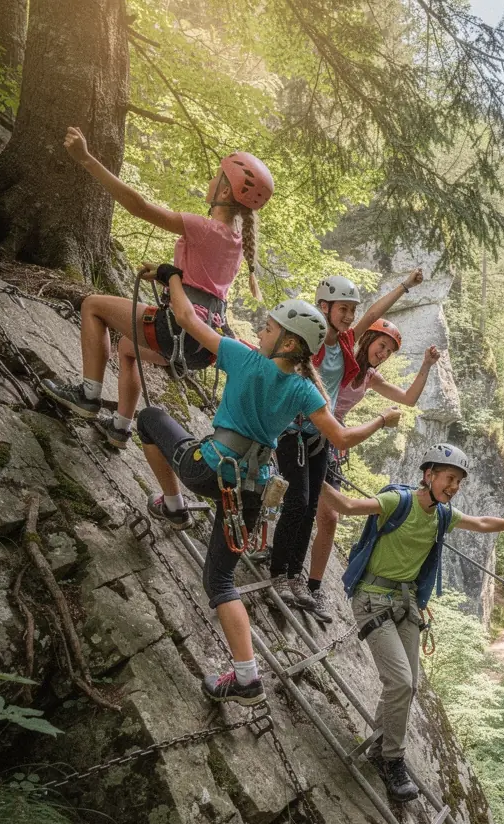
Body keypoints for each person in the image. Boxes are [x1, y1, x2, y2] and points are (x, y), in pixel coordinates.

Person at [136, 266, 400, 705]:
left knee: (150, 421)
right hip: (252, 494)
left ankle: (173, 503)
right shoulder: (306, 391)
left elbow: (185, 318)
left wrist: (173, 276)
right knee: (219, 580)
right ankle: (246, 677)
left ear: (289, 342)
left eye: (269, 327)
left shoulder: (243, 358)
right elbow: (342, 438)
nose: (260, 330)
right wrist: (381, 420)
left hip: (209, 468)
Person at [322, 443, 504, 802]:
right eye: (450, 478)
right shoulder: (399, 502)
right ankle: (393, 760)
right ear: (429, 475)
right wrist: (309, 473)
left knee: (407, 685)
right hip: (372, 598)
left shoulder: (443, 515)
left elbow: (482, 523)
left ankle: (381, 745)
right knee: (401, 681)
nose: (454, 487)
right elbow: (347, 506)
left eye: (458, 482)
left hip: (405, 604)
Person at [42, 127, 272, 449]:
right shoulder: (236, 240)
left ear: (223, 193)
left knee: (92, 305)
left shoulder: (204, 227)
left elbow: (138, 206)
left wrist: (87, 159)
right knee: (126, 348)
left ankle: (88, 395)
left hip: (175, 328)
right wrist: (166, 274)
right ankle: (120, 428)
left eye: (215, 177)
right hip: (202, 344)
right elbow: (201, 284)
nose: (210, 182)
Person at [268, 268, 425, 613]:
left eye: (351, 312)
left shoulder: (345, 348)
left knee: (309, 508)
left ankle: (296, 575)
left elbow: (370, 318)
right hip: (295, 428)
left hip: (321, 437)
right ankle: (279, 572)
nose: (350, 317)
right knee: (296, 502)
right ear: (324, 308)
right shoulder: (319, 339)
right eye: (343, 310)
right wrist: (404, 285)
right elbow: (372, 316)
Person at [306, 317, 442, 623]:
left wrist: (426, 365)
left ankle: (314, 587)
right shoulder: (340, 360)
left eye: (389, 352)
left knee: (329, 517)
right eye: (382, 346)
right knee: (300, 501)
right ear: (368, 339)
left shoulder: (369, 378)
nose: (383, 354)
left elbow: (408, 398)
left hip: (331, 445)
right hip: (309, 427)